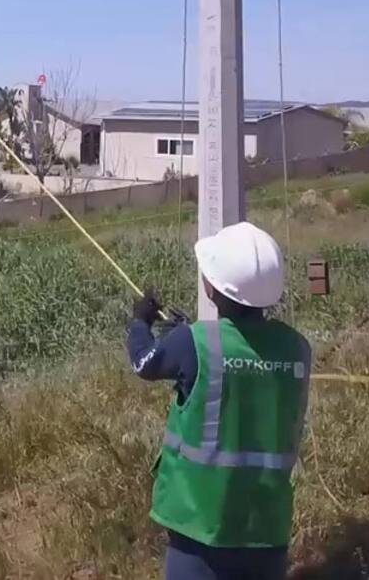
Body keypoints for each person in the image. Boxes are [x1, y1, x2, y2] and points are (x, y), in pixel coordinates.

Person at [128, 222, 311, 580]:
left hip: (199, 525)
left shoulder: (194, 342)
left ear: (212, 289)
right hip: (266, 526)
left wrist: (140, 322)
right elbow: (244, 363)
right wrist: (187, 334)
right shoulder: (297, 347)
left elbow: (143, 363)